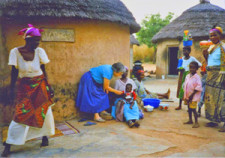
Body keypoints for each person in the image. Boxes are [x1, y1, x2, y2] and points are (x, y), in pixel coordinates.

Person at [1, 24, 55, 157]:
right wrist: (12, 88)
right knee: (20, 115)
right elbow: (14, 72)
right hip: (24, 86)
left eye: (39, 40)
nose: (37, 43)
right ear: (27, 40)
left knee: (44, 111)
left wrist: (48, 85)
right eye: (35, 40)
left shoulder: (40, 52)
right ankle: (9, 144)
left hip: (40, 84)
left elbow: (43, 70)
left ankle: (44, 137)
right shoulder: (15, 52)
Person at [203, 26, 225, 132]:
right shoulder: (210, 47)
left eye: (214, 35)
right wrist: (205, 56)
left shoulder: (223, 47)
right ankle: (213, 120)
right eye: (210, 36)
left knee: (221, 98)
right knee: (210, 97)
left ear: (220, 36)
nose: (212, 37)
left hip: (221, 75)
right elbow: (209, 62)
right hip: (211, 75)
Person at [183, 61, 202, 128]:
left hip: (193, 96)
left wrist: (192, 95)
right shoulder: (188, 75)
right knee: (189, 108)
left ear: (196, 69)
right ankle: (190, 120)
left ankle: (196, 122)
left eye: (193, 68)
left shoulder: (197, 77)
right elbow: (186, 84)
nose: (191, 69)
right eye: (190, 68)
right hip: (188, 96)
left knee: (193, 109)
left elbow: (198, 87)